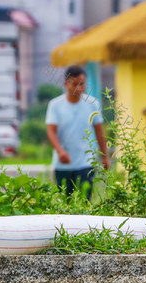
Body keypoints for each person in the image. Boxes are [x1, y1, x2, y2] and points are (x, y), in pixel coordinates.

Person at [46, 65, 110, 198]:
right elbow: (51, 131)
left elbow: (99, 132)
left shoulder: (93, 104)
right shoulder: (55, 105)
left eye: (82, 84)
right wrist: (60, 151)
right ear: (66, 84)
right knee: (65, 203)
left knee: (86, 202)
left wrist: (104, 156)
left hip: (86, 163)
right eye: (75, 84)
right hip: (63, 165)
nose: (79, 88)